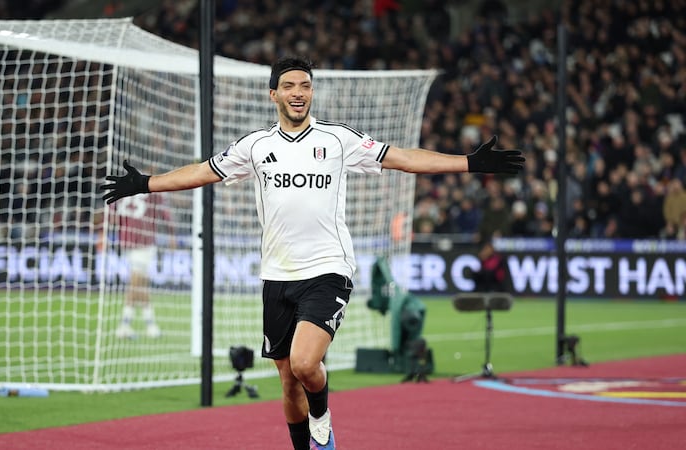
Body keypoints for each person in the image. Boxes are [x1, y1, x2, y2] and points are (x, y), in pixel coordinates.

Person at [101, 56, 524, 450]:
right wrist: (146, 183)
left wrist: (468, 163)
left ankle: (322, 413)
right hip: (276, 276)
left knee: (306, 364)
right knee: (287, 382)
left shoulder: (338, 140)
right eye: (289, 86)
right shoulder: (255, 146)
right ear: (274, 95)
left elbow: (402, 158)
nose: (298, 92)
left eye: (305, 85)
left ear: (312, 92)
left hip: (328, 270)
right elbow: (203, 171)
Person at [111, 172, 174, 339]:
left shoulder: (123, 188)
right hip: (142, 241)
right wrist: (171, 233)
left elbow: (112, 213)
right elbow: (164, 214)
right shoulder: (152, 187)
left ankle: (141, 324)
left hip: (129, 241)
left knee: (138, 284)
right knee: (137, 285)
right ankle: (136, 325)